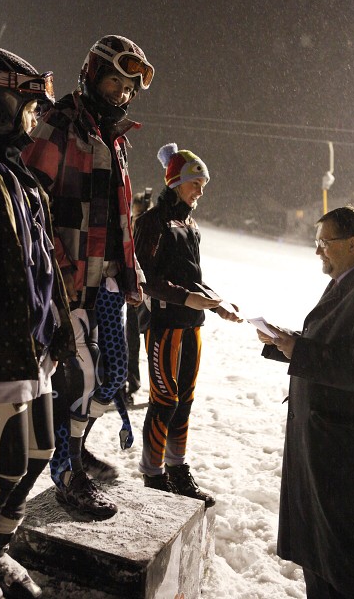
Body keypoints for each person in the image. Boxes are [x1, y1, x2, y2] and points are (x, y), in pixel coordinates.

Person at [0, 45, 75, 599]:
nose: (33, 120)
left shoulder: (15, 171)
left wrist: (61, 329)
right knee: (2, 466)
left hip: (33, 345)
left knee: (38, 454)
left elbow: (43, 259)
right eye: (27, 107)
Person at [23, 35, 154, 514]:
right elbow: (28, 202)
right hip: (71, 281)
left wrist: (132, 271)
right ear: (92, 75)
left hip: (108, 281)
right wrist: (58, 266)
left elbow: (119, 216)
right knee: (79, 377)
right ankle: (67, 470)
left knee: (113, 374)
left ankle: (74, 444)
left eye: (129, 87)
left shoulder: (115, 138)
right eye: (115, 81)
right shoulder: (61, 124)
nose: (122, 92)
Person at [257, 205, 354, 599]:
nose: (317, 250)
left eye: (324, 242)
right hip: (320, 441)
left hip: (340, 450)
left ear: (352, 244)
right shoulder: (345, 281)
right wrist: (286, 343)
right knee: (318, 552)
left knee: (340, 559)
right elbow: (332, 343)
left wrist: (299, 350)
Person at [134, 143, 242, 508]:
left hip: (191, 324)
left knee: (184, 402)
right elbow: (144, 278)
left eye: (203, 184)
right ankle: (153, 475)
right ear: (176, 182)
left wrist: (216, 302)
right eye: (196, 183)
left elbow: (193, 278)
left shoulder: (189, 224)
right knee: (164, 401)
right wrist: (185, 298)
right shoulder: (152, 222)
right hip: (164, 325)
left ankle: (177, 470)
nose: (201, 191)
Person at [124, 188, 154, 405]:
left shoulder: (150, 232)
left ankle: (154, 388)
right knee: (131, 344)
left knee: (148, 346)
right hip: (133, 296)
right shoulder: (131, 229)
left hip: (148, 297)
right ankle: (131, 384)